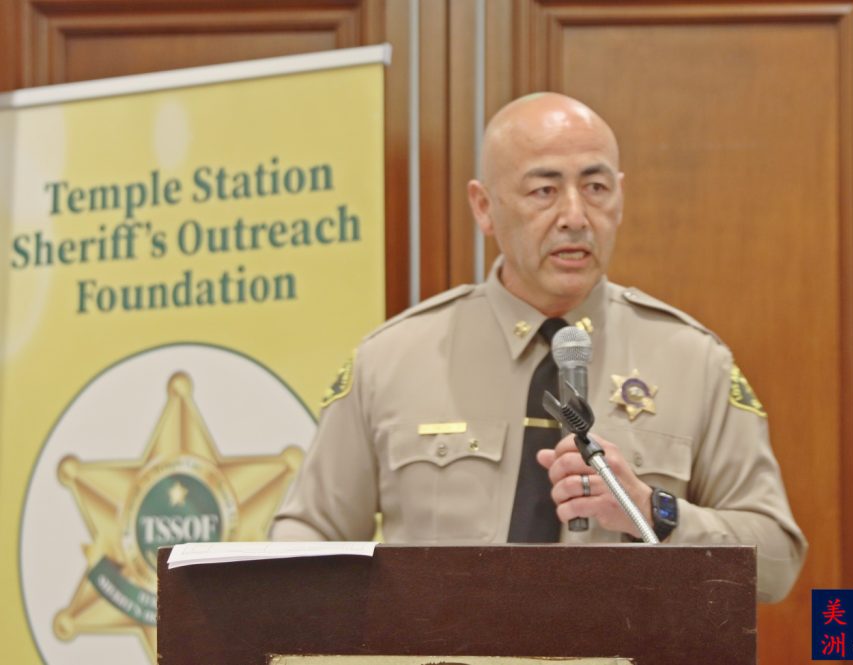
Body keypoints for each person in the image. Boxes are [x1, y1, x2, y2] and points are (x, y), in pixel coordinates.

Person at [272, 92, 807, 602]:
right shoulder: (391, 360)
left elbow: (778, 563)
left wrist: (652, 511)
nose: (575, 216)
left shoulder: (694, 361)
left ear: (620, 198)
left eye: (595, 187)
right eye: (544, 191)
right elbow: (307, 534)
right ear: (484, 207)